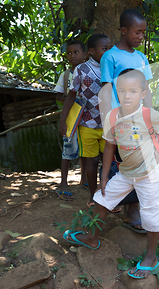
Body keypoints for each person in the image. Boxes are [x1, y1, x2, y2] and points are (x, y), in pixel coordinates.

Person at [63, 69, 159, 279]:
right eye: (122, 91)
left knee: (151, 215)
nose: (127, 96)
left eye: (133, 91)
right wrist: (105, 176)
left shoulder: (149, 115)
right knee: (102, 199)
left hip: (149, 175)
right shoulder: (113, 115)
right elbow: (109, 146)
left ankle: (151, 257)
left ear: (143, 93)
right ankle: (93, 238)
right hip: (126, 173)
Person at [99, 8, 153, 231]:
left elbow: (147, 90)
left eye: (143, 33)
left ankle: (133, 212)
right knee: (122, 164)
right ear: (123, 31)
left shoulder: (141, 57)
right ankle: (117, 206)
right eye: (137, 32)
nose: (141, 37)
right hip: (119, 120)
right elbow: (106, 89)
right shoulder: (110, 57)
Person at [59, 34, 111, 207]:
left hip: (107, 125)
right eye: (104, 49)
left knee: (108, 161)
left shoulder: (112, 67)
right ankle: (93, 196)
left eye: (109, 48)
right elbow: (72, 95)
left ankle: (108, 195)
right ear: (91, 51)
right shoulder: (81, 70)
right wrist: (63, 119)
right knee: (92, 161)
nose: (108, 52)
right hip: (87, 124)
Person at [54, 40, 86, 201]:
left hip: (88, 117)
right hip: (71, 116)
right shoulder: (66, 75)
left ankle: (85, 178)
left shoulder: (90, 72)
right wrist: (69, 99)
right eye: (69, 53)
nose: (72, 56)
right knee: (68, 147)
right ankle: (63, 183)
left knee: (86, 148)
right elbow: (58, 96)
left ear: (85, 54)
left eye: (76, 52)